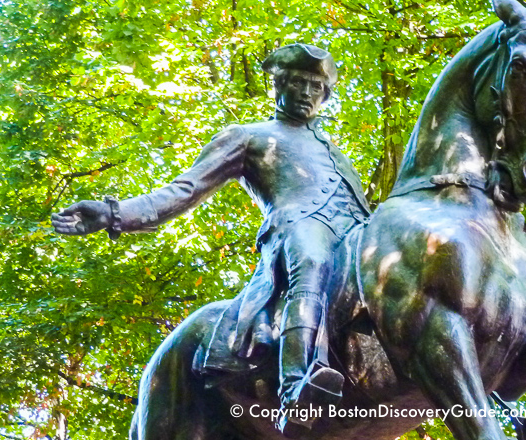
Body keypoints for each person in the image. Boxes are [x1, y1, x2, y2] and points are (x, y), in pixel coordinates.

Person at [51, 43, 371, 434]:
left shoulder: (336, 154)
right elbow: (184, 190)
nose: (307, 92)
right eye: (299, 82)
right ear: (280, 86)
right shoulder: (248, 137)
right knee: (311, 258)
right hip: (299, 228)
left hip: (355, 233)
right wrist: (113, 213)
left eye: (316, 86)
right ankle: (296, 387)